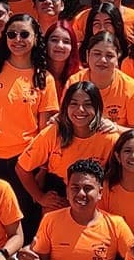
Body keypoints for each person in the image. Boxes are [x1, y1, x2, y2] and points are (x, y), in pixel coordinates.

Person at [0, 13, 60, 231]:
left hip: (25, 164)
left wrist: (42, 169)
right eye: (12, 34)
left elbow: (45, 129)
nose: (17, 39)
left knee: (24, 223)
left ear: (36, 38)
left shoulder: (44, 78)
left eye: (24, 34)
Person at [25, 159, 134, 260]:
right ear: (67, 191)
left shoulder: (116, 224)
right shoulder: (51, 220)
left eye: (88, 188)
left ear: (100, 192)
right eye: (75, 188)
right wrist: (27, 255)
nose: (81, 193)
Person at [18, 82, 122, 213]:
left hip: (94, 195)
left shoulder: (109, 138)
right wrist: (40, 197)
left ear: (97, 108)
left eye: (88, 104)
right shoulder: (54, 132)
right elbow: (22, 168)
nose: (80, 109)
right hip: (59, 192)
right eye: (74, 104)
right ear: (66, 107)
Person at [79, 31, 134, 129]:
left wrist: (115, 128)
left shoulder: (131, 88)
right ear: (87, 55)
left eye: (109, 56)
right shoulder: (75, 82)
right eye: (97, 54)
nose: (103, 60)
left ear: (118, 57)